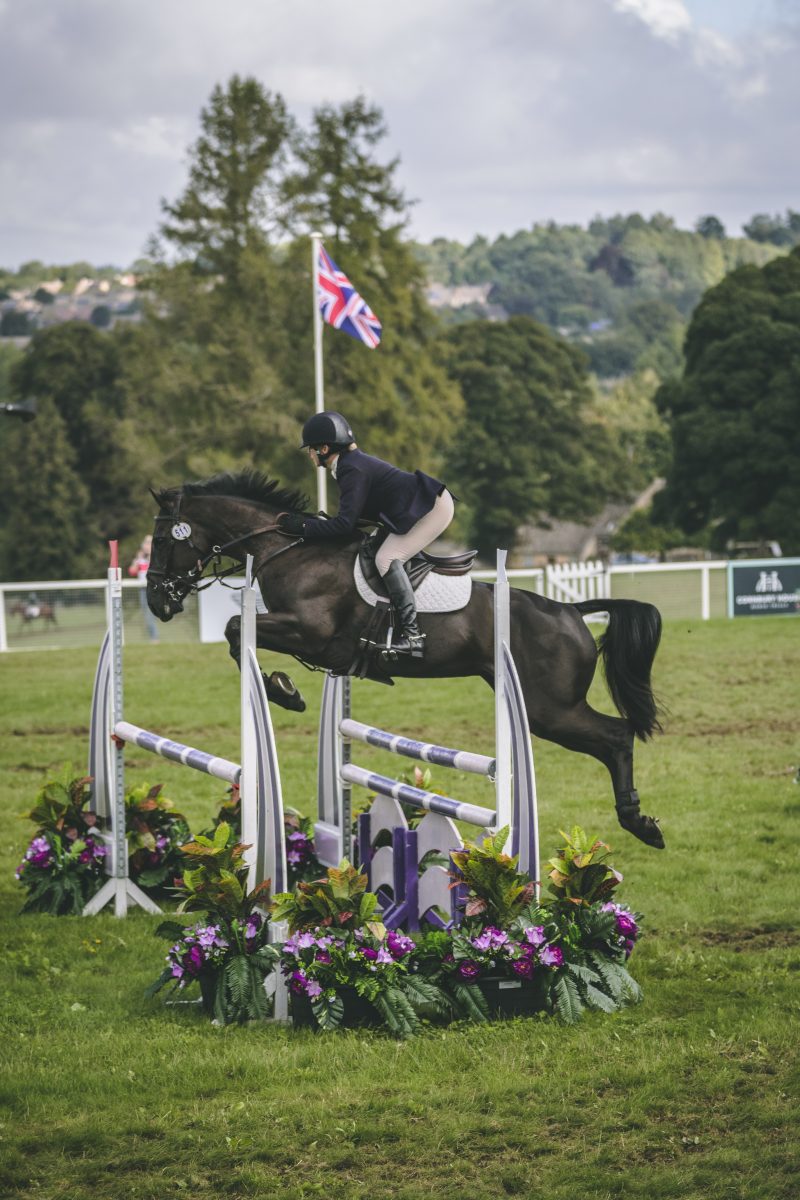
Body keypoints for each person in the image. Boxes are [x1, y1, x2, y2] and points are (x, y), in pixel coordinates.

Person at [277, 411, 455, 658]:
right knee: (374, 550)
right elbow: (352, 519)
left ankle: (414, 638)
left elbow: (344, 525)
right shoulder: (349, 465)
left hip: (431, 508)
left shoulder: (352, 469)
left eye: (311, 449)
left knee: (386, 559)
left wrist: (305, 527)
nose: (309, 454)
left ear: (324, 448)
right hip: (418, 507)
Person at [128, 536, 159, 642]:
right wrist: (136, 560)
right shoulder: (140, 559)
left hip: (154, 589)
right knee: (147, 615)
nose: (147, 545)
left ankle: (154, 638)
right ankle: (153, 638)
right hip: (143, 589)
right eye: (146, 543)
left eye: (149, 543)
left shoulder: (156, 558)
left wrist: (151, 555)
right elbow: (132, 571)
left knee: (152, 614)